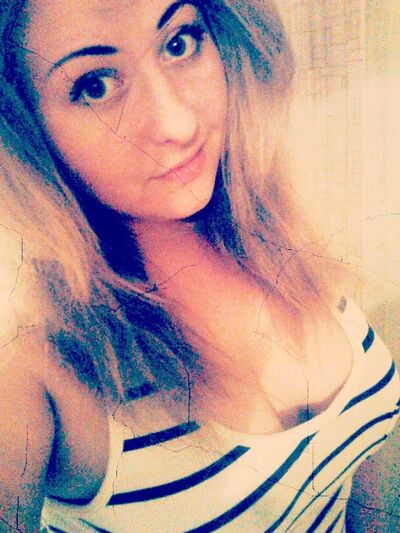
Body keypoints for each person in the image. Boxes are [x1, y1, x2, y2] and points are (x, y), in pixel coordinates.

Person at [0, 0, 398, 531]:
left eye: (179, 43)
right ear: (27, 130)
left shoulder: (284, 232)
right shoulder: (33, 363)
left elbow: (364, 484)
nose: (177, 123)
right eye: (95, 85)